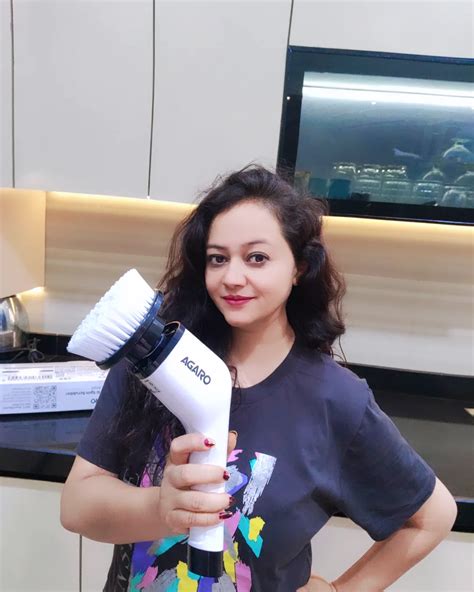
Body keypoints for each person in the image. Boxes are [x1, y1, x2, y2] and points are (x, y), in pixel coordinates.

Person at [60, 165, 457, 592]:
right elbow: (77, 506)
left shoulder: (334, 399)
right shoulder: (153, 363)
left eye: (257, 258)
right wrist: (162, 507)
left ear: (299, 267)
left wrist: (340, 590)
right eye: (218, 258)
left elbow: (431, 517)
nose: (232, 278)